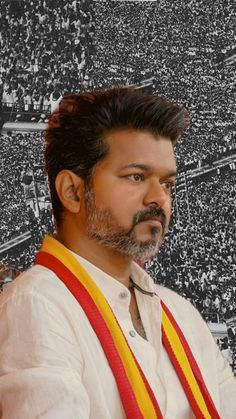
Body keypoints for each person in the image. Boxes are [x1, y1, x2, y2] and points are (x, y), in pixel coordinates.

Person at [0, 87, 235, 418]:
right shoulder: (36, 305)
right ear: (73, 191)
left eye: (167, 183)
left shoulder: (181, 314)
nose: (159, 198)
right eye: (136, 177)